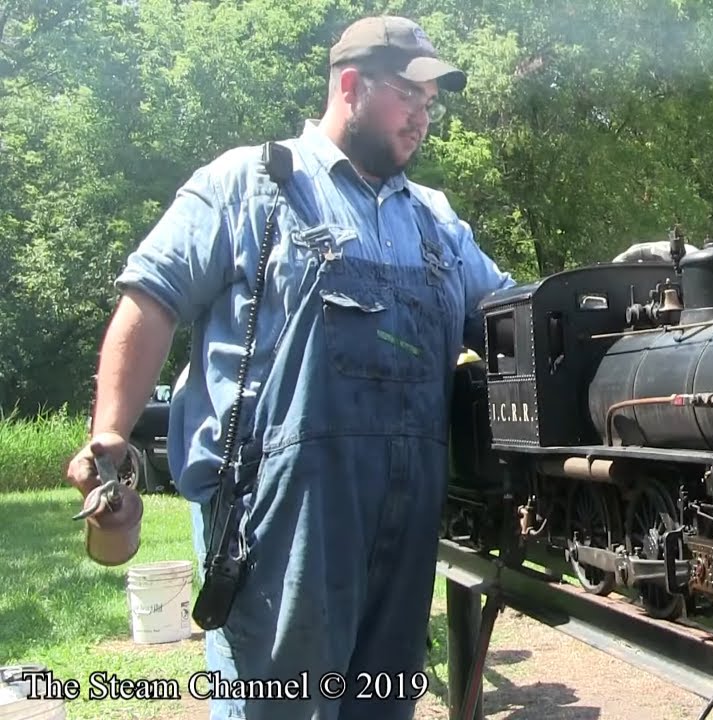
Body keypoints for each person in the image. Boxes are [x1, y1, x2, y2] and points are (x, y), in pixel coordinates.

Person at [64, 16, 515, 720]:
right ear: (350, 86)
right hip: (276, 526)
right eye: (408, 95)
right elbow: (149, 303)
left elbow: (507, 319)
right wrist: (111, 438)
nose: (424, 116)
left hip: (406, 525)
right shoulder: (250, 184)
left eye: (431, 102)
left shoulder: (437, 224)